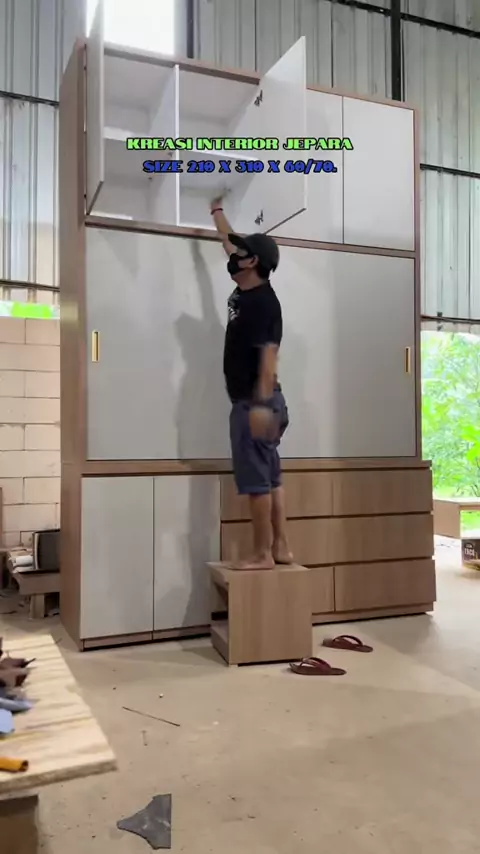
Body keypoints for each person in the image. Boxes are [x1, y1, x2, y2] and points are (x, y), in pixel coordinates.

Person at [210, 197, 294, 570]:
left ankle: (262, 554)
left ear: (252, 262)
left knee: (257, 482)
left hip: (255, 402)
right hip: (266, 401)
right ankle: (281, 548)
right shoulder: (248, 287)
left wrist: (258, 407)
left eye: (241, 253)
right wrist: (216, 212)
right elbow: (228, 240)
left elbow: (269, 357)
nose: (233, 256)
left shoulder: (263, 304)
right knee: (271, 478)